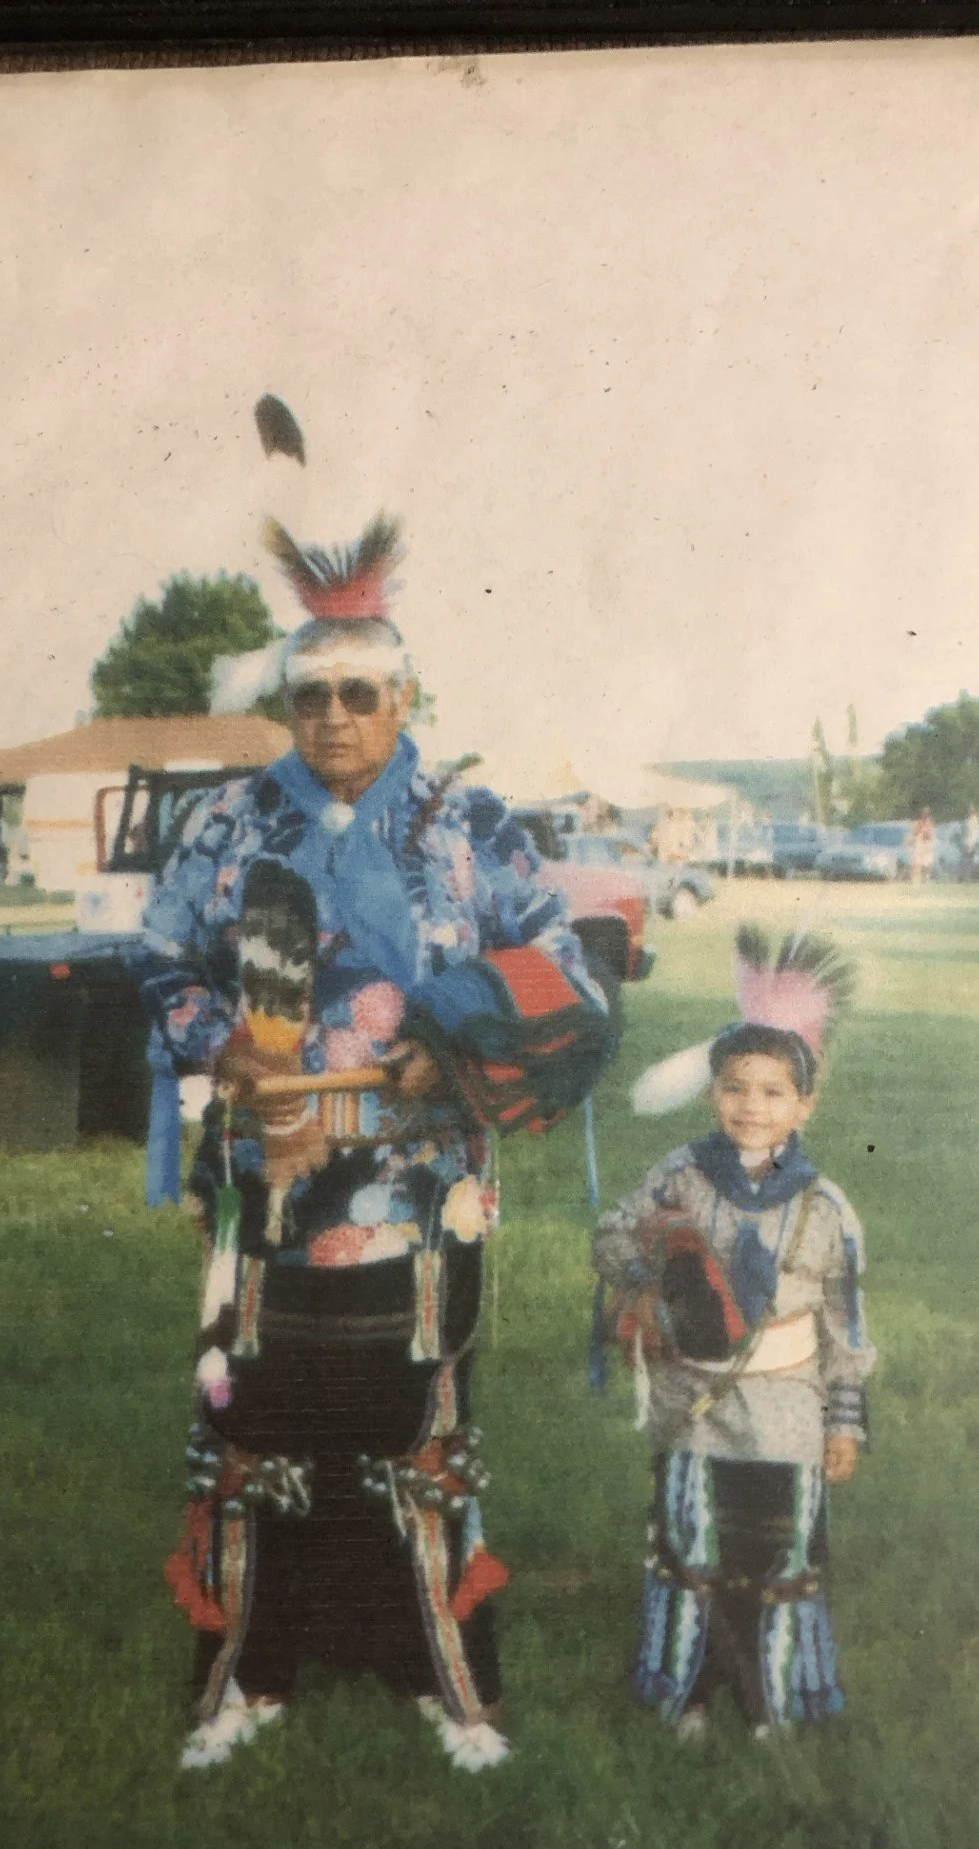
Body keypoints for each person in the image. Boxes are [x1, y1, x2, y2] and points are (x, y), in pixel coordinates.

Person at [140, 515, 613, 1771]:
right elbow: (160, 958)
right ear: (286, 707)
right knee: (259, 1424)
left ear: (402, 696)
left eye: (359, 693)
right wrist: (215, 1040)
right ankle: (254, 1671)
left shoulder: (472, 825)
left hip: (419, 1177)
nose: (334, 717)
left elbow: (562, 965)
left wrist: (449, 1039)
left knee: (418, 1423)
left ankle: (438, 1677)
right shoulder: (230, 825)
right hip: (268, 1174)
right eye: (310, 697)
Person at [591, 925, 873, 1739]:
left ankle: (770, 1697)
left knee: (779, 1551)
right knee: (693, 1546)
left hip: (788, 1408)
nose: (752, 1107)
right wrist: (659, 1263)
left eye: (774, 1092)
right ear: (713, 1090)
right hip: (697, 1403)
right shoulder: (679, 1175)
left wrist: (843, 1420)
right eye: (735, 1087)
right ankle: (693, 1690)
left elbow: (845, 1324)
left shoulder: (825, 1208)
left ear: (806, 1104)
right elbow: (610, 1237)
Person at [909, 807, 935, 885]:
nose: (925, 815)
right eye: (924, 813)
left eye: (927, 814)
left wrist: (926, 833)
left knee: (927, 864)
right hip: (920, 845)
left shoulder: (930, 824)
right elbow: (915, 834)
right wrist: (912, 842)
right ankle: (915, 880)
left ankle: (926, 879)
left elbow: (930, 835)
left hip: (927, 845)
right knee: (917, 863)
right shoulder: (918, 823)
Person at [962, 806, 979, 881]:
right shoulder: (971, 822)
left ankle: (968, 876)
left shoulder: (970, 821)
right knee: (969, 860)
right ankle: (968, 876)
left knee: (969, 860)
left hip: (970, 843)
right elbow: (972, 833)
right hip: (970, 843)